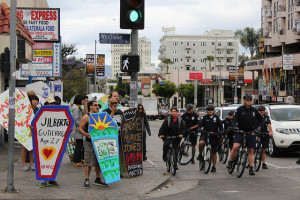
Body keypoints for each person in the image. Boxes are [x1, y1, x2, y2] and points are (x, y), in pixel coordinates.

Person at [227, 94, 264, 176]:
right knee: (235, 146)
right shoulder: (239, 109)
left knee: (251, 150)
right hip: (240, 132)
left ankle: (251, 168)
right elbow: (234, 120)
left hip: (251, 132)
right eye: (247, 100)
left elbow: (262, 120)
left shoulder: (254, 110)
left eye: (250, 100)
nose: (249, 101)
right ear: (244, 100)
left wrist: (258, 128)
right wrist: (235, 127)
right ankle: (231, 161)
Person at [79, 100, 107, 188]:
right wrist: (85, 134)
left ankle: (97, 179)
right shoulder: (86, 116)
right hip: (89, 142)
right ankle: (86, 179)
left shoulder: (100, 115)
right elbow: (80, 128)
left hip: (99, 142)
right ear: (90, 106)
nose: (97, 107)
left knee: (99, 161)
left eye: (98, 105)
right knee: (88, 162)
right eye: (95, 105)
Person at [40, 97, 61, 188]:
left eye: (53, 103)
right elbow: (35, 123)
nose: (52, 105)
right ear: (46, 104)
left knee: (54, 159)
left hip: (55, 140)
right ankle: (44, 180)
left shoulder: (59, 113)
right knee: (45, 159)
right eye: (50, 103)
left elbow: (63, 124)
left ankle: (52, 179)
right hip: (44, 140)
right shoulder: (41, 113)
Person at [102, 97, 124, 177]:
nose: (114, 105)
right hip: (109, 138)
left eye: (116, 103)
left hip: (119, 137)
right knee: (110, 156)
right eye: (112, 103)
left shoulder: (120, 112)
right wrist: (112, 112)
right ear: (109, 104)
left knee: (119, 156)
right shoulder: (105, 112)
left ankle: (118, 171)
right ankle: (111, 171)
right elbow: (105, 123)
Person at [197, 105, 223, 172]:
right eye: (208, 110)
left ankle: (214, 166)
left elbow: (220, 126)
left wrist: (220, 131)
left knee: (214, 152)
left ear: (213, 111)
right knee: (201, 142)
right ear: (207, 111)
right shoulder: (204, 118)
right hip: (205, 134)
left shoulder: (217, 118)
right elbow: (200, 124)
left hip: (214, 135)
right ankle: (200, 154)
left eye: (211, 110)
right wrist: (199, 129)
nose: (210, 111)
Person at [20, 94, 39, 172]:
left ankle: (31, 165)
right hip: (26, 131)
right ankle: (24, 165)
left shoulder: (38, 110)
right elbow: (22, 120)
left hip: (34, 131)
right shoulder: (26, 109)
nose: (35, 102)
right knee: (25, 148)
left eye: (36, 100)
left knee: (32, 148)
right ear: (30, 101)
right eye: (34, 100)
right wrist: (28, 126)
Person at [71, 94, 85, 167]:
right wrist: (82, 125)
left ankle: (77, 160)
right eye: (82, 100)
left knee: (79, 145)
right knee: (79, 146)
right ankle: (77, 161)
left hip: (79, 129)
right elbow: (77, 120)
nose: (83, 101)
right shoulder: (76, 109)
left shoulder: (79, 108)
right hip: (78, 130)